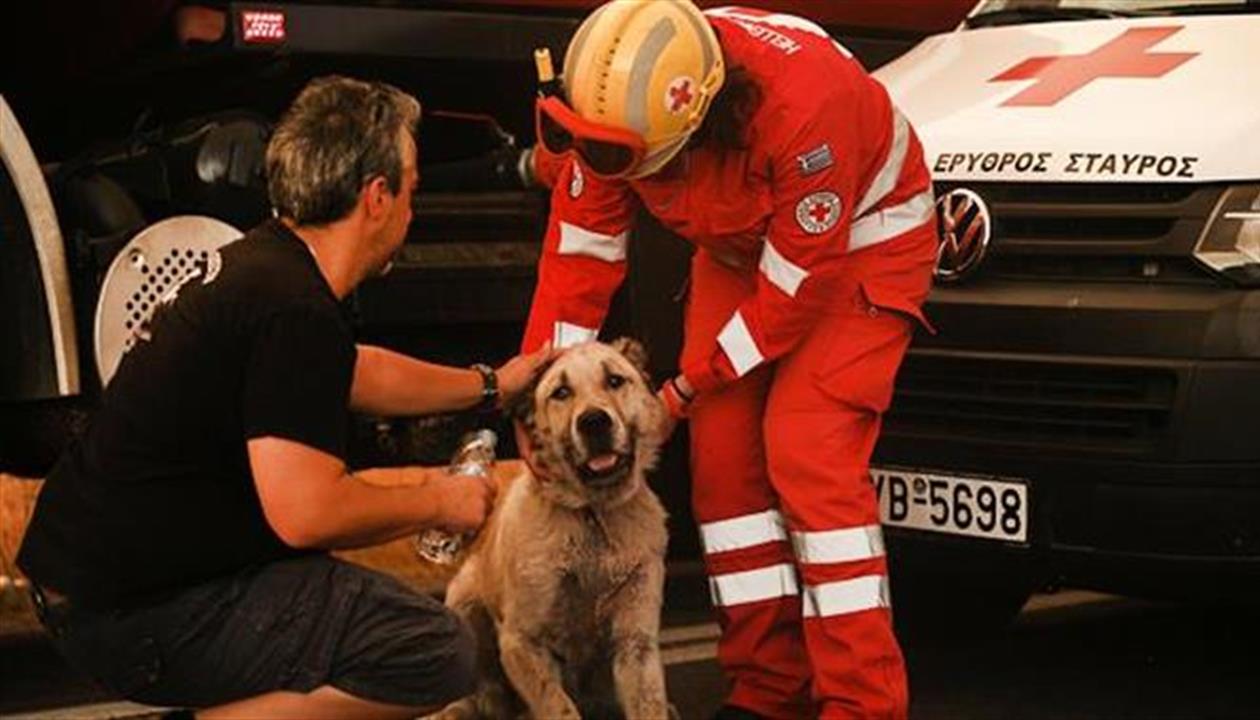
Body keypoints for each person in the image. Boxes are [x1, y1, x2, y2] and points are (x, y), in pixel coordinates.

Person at [17, 76, 552, 720]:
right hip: (134, 613)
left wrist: (492, 383)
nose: (414, 208)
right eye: (411, 188)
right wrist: (439, 500)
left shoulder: (268, 265)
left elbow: (356, 372)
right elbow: (305, 511)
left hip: (94, 588)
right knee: (429, 650)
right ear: (376, 197)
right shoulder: (293, 309)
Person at [522, 2, 938, 718]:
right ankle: (766, 690)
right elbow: (577, 263)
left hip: (860, 245)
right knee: (722, 471)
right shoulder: (616, 108)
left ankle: (863, 702)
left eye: (621, 158)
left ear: (694, 125)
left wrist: (686, 386)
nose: (607, 167)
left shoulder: (810, 112)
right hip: (742, 247)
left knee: (807, 452)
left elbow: (790, 293)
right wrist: (539, 402)